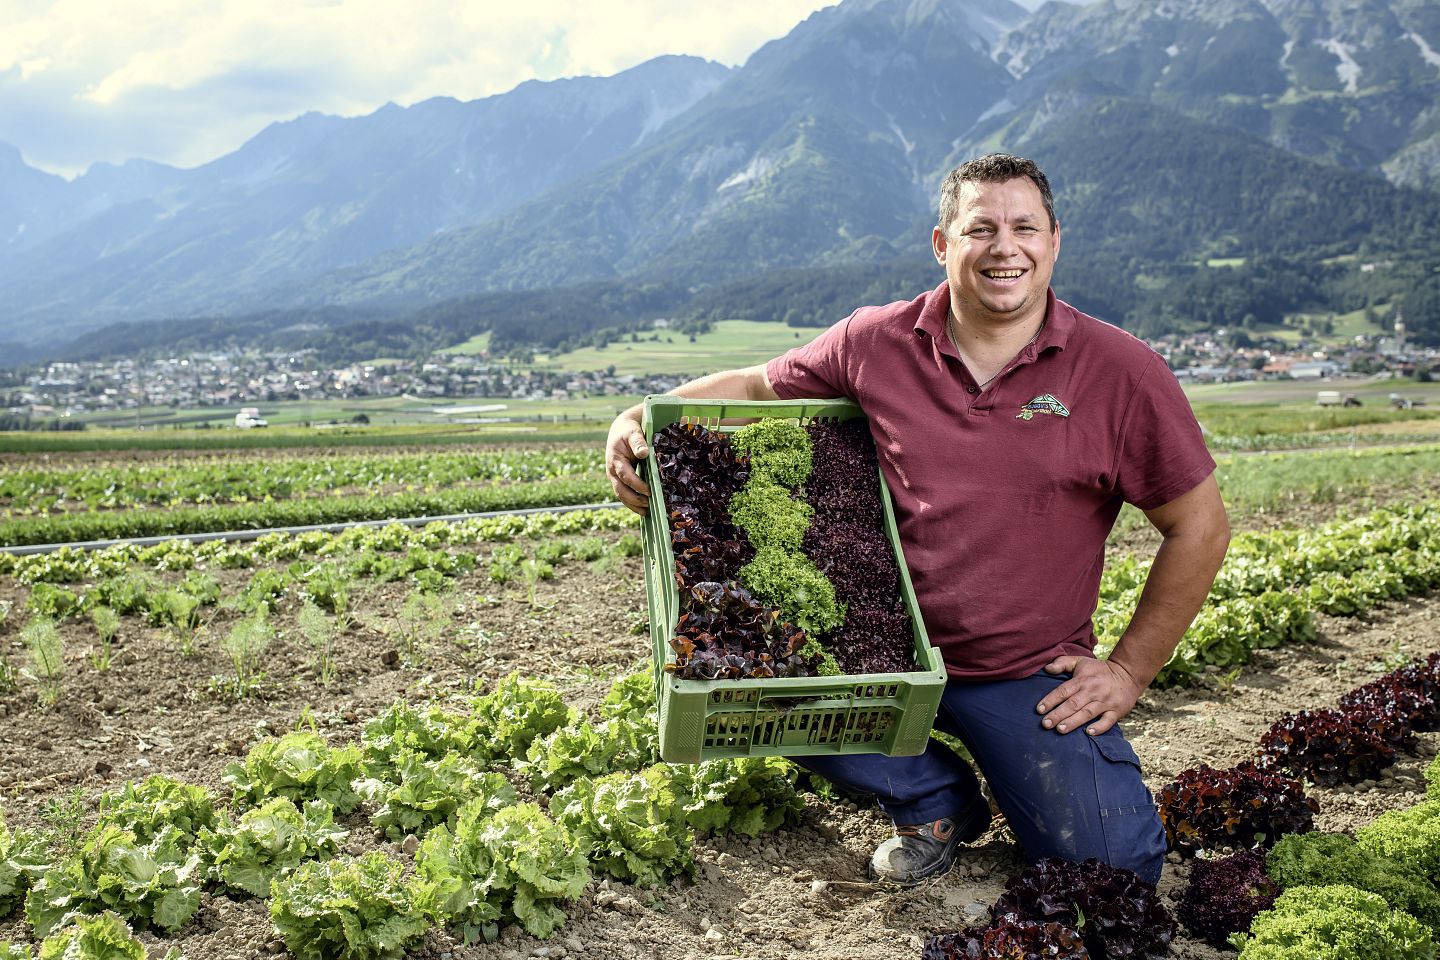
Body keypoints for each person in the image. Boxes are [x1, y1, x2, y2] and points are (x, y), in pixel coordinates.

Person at [604, 153, 1230, 887]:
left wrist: (1127, 670)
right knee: (743, 681)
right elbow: (753, 385)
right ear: (943, 244)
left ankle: (1000, 771)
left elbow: (1201, 526)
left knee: (1113, 871)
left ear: (1055, 240)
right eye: (981, 228)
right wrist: (640, 415)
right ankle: (932, 794)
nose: (1005, 247)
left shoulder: (1122, 374)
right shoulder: (876, 341)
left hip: (1019, 671)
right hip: (880, 654)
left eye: (1025, 227)